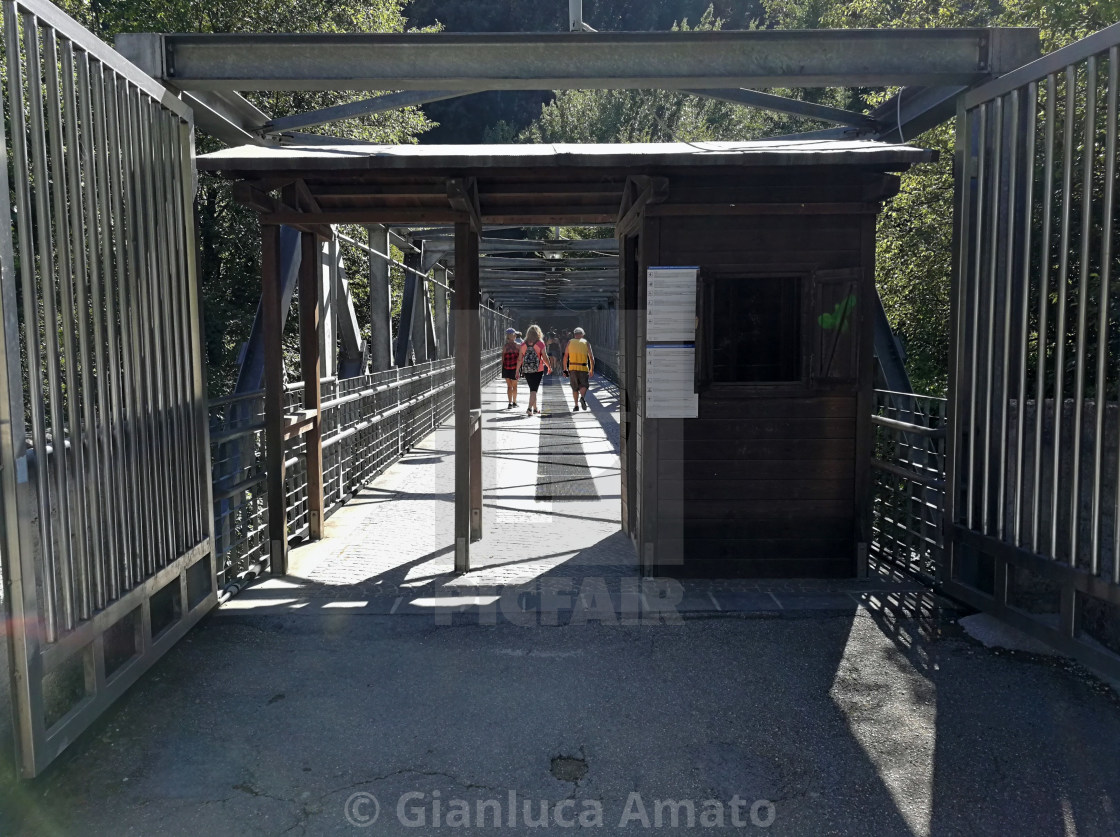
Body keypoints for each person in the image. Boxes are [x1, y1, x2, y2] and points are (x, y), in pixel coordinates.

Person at [516, 324, 552, 416]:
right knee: (534, 390)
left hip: (527, 369)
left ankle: (535, 408)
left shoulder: (523, 344)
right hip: (538, 369)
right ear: (538, 333)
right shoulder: (540, 343)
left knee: (533, 389)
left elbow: (520, 358)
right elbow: (544, 356)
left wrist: (517, 371)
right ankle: (529, 409)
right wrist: (549, 366)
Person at [562, 326, 595, 411]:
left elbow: (565, 356)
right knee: (584, 385)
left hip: (572, 368)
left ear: (574, 334)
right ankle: (582, 397)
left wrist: (565, 369)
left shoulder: (570, 342)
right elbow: (591, 357)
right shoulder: (586, 343)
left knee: (574, 387)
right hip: (583, 368)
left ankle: (576, 405)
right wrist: (592, 369)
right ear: (582, 335)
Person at [501, 328, 521, 409]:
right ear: (513, 336)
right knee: (515, 386)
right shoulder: (518, 346)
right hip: (515, 368)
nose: (516, 336)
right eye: (515, 335)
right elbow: (520, 358)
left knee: (509, 386)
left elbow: (503, 358)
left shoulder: (505, 347)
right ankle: (514, 402)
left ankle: (510, 403)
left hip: (506, 368)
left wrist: (503, 367)